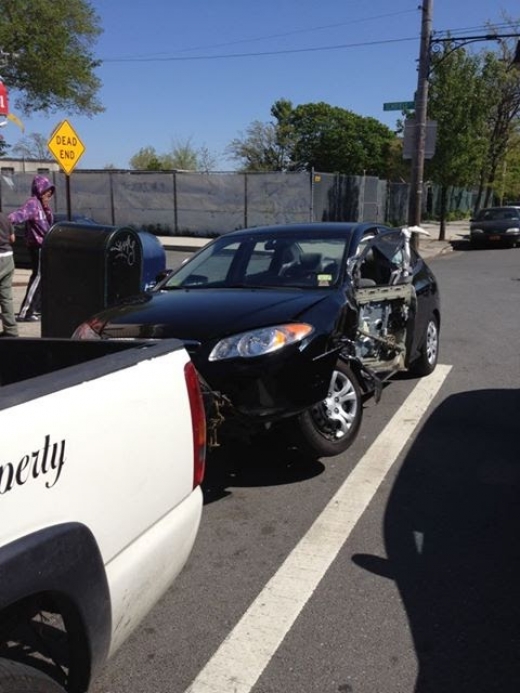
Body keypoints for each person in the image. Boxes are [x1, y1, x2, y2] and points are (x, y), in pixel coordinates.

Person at [8, 174, 55, 322]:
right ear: (40, 190)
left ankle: (36, 308)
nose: (49, 195)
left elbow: (48, 224)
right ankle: (26, 311)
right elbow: (17, 216)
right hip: (37, 246)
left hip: (45, 245)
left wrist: (47, 210)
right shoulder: (33, 204)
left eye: (51, 193)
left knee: (45, 277)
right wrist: (6, 226)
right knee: (38, 276)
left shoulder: (43, 206)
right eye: (47, 191)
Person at [0, 211, 19, 337]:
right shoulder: (4, 217)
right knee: (6, 297)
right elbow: (12, 238)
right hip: (8, 258)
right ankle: (11, 330)